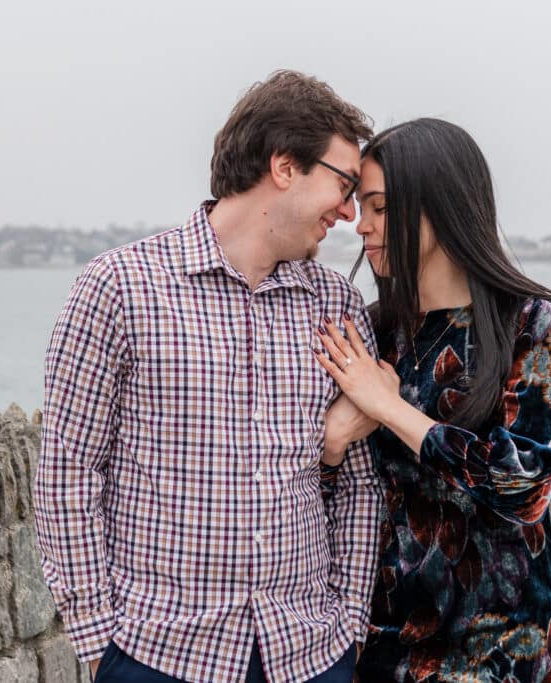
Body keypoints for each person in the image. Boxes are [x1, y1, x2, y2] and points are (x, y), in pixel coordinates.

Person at [33, 70, 381, 683]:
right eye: (344, 184)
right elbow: (67, 471)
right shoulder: (119, 287)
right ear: (283, 166)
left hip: (308, 655)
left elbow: (358, 484)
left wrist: (347, 624)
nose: (351, 213)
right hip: (155, 655)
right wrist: (98, 642)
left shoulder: (338, 306)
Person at [314, 118, 551, 683]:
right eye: (361, 207)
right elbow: (326, 500)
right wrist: (333, 445)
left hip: (507, 651)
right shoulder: (371, 334)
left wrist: (391, 409)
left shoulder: (532, 324)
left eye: (380, 208)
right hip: (382, 648)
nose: (361, 226)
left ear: (440, 205)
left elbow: (523, 486)